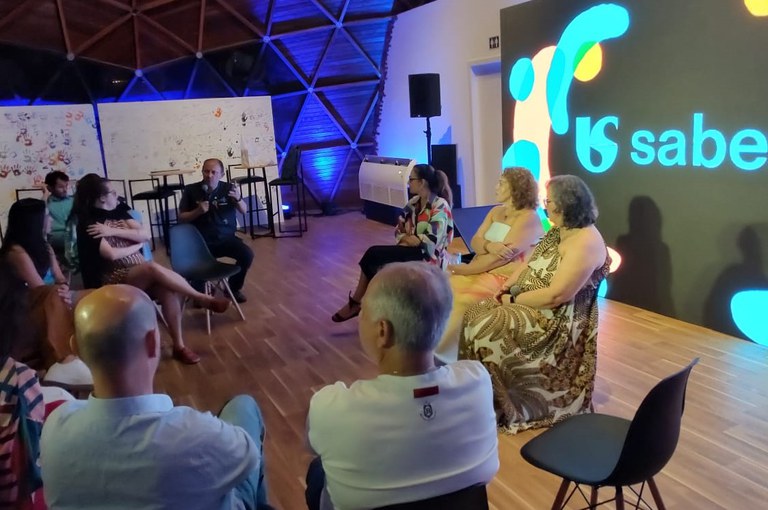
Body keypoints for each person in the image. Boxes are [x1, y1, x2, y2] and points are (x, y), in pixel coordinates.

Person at [40, 285, 271, 509]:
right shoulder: (196, 434)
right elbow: (248, 460)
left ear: (76, 348)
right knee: (244, 407)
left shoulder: (54, 429)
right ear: (152, 343)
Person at [307, 262, 499, 510]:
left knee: (317, 472)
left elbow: (313, 446)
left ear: (383, 330)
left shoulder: (332, 406)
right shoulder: (477, 380)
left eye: (363, 310)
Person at [459, 175, 610, 433]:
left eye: (549, 201)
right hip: (531, 302)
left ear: (566, 205)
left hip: (555, 321)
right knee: (475, 313)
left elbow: (557, 296)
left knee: (487, 328)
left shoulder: (586, 241)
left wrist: (513, 299)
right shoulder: (560, 229)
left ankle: (510, 405)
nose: (545, 205)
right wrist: (507, 286)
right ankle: (482, 401)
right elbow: (531, 262)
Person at [70, 173, 230, 364]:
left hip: (137, 269)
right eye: (112, 192)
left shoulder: (119, 209)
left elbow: (144, 234)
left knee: (167, 289)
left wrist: (114, 231)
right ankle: (201, 297)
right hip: (112, 277)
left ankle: (179, 346)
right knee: (151, 268)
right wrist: (135, 242)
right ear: (102, 198)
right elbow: (112, 254)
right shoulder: (88, 223)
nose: (117, 195)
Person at [435, 167, 544, 362]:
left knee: (461, 299)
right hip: (479, 268)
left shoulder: (529, 217)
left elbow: (501, 258)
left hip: (502, 278)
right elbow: (475, 241)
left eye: (501, 183)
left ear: (516, 188)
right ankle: (431, 348)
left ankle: (446, 356)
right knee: (441, 290)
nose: (496, 187)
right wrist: (490, 245)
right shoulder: (495, 211)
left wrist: (466, 269)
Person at [331, 164, 454, 322]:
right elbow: (399, 230)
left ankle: (358, 303)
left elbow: (431, 241)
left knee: (374, 254)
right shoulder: (413, 203)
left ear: (422, 182)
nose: (409, 183)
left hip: (429, 257)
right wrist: (409, 240)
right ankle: (363, 304)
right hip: (410, 250)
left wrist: (413, 240)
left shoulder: (440, 206)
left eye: (411, 179)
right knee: (374, 257)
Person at [0, 198, 91, 385]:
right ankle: (64, 359)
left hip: (51, 295)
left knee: (94, 294)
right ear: (34, 222)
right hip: (23, 304)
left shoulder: (45, 247)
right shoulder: (16, 252)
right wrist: (60, 292)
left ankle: (99, 354)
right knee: (54, 295)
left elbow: (60, 278)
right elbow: (38, 288)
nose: (51, 221)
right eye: (47, 216)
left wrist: (64, 289)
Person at [179, 158, 253, 303]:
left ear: (222, 174)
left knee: (247, 254)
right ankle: (199, 290)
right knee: (200, 302)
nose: (210, 175)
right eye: (206, 171)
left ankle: (233, 288)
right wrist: (198, 211)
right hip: (200, 243)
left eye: (214, 172)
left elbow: (244, 210)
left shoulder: (229, 189)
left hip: (226, 239)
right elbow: (181, 217)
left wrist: (238, 198)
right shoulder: (191, 190)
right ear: (202, 172)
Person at [44, 171, 73, 258]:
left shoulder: (73, 201)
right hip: (56, 248)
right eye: (60, 187)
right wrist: (45, 194)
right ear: (50, 188)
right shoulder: (46, 203)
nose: (65, 190)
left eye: (66, 186)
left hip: (75, 243)